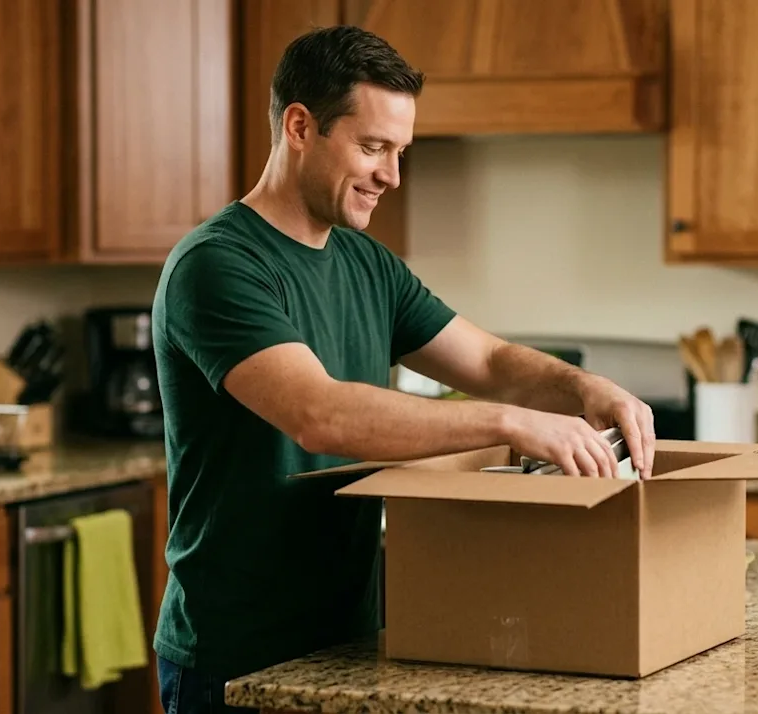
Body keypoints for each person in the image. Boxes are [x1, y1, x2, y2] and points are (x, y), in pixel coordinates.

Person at [150, 25, 656, 714]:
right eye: (373, 147)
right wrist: (514, 424)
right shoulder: (216, 265)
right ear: (300, 127)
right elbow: (319, 414)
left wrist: (584, 387)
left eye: (400, 152)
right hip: (235, 654)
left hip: (349, 640)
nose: (392, 175)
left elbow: (487, 360)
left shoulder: (367, 263)